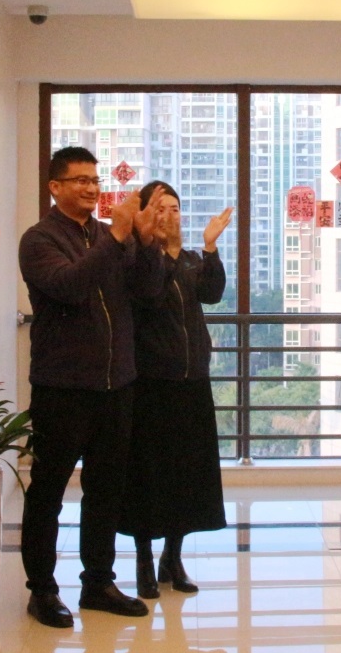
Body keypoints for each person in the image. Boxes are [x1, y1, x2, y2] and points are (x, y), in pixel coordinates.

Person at [18, 145, 165, 627]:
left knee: (105, 490)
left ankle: (98, 582)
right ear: (55, 187)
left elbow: (147, 292)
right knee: (48, 491)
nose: (90, 188)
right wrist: (119, 237)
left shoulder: (107, 235)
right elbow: (71, 286)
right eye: (79, 180)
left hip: (116, 383)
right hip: (63, 385)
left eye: (94, 180)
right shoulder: (39, 239)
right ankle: (42, 590)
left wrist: (146, 244)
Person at [121, 182, 231, 597]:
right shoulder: (137, 258)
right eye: (161, 208)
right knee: (148, 475)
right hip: (152, 383)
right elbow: (148, 296)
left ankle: (173, 557)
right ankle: (144, 561)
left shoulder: (189, 259)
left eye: (175, 208)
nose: (170, 216)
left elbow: (212, 294)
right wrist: (161, 251)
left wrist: (210, 248)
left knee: (187, 473)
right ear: (146, 215)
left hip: (192, 380)